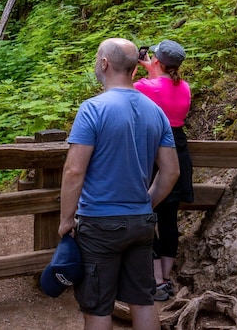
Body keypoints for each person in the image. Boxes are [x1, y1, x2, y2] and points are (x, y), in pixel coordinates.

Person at [59, 38, 179, 330]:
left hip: (99, 223)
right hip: (141, 223)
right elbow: (171, 171)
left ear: (104, 64)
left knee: (98, 306)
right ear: (134, 68)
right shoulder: (155, 111)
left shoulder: (93, 109)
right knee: (143, 301)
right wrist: (146, 203)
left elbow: (74, 170)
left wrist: (65, 220)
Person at [135, 39, 193, 301]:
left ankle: (156, 279)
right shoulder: (185, 87)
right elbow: (164, 88)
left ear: (156, 60)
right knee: (169, 218)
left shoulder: (145, 87)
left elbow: (123, 90)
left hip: (154, 150)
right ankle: (165, 277)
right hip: (178, 151)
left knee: (145, 212)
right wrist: (153, 68)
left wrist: (138, 70)